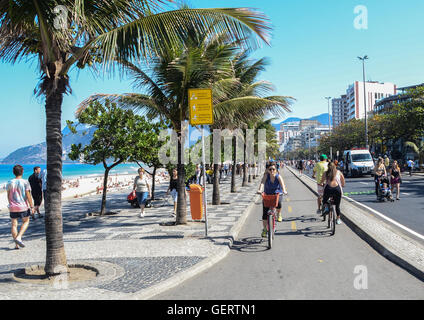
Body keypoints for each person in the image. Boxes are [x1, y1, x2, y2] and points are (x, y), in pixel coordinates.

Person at [6, 165, 35, 249]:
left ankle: (16, 245)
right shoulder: (25, 182)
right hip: (23, 206)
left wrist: (11, 204)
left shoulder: (9, 182)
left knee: (14, 225)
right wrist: (32, 206)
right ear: (22, 172)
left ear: (13, 172)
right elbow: (28, 195)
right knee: (26, 221)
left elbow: (8, 195)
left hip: (12, 206)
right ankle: (19, 237)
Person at [257, 163, 288, 237]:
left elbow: (282, 184)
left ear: (276, 170)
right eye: (270, 169)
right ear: (267, 170)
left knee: (279, 203)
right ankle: (264, 229)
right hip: (267, 195)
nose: (271, 171)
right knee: (265, 213)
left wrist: (284, 190)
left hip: (277, 194)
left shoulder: (278, 176)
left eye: (273, 169)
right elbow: (262, 183)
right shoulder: (266, 176)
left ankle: (278, 213)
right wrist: (260, 190)